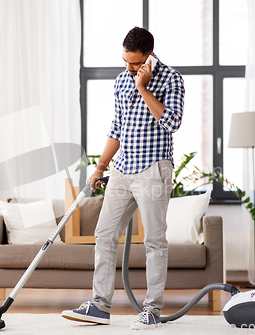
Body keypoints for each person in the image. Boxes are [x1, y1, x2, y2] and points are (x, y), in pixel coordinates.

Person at [62, 27, 185, 330]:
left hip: (153, 168)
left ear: (149, 55)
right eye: (125, 62)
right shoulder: (120, 81)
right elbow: (117, 127)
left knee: (155, 242)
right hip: (122, 169)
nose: (129, 69)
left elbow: (172, 122)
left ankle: (152, 310)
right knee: (104, 234)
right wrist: (100, 167)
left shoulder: (171, 78)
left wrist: (143, 88)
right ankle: (100, 306)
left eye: (135, 63)